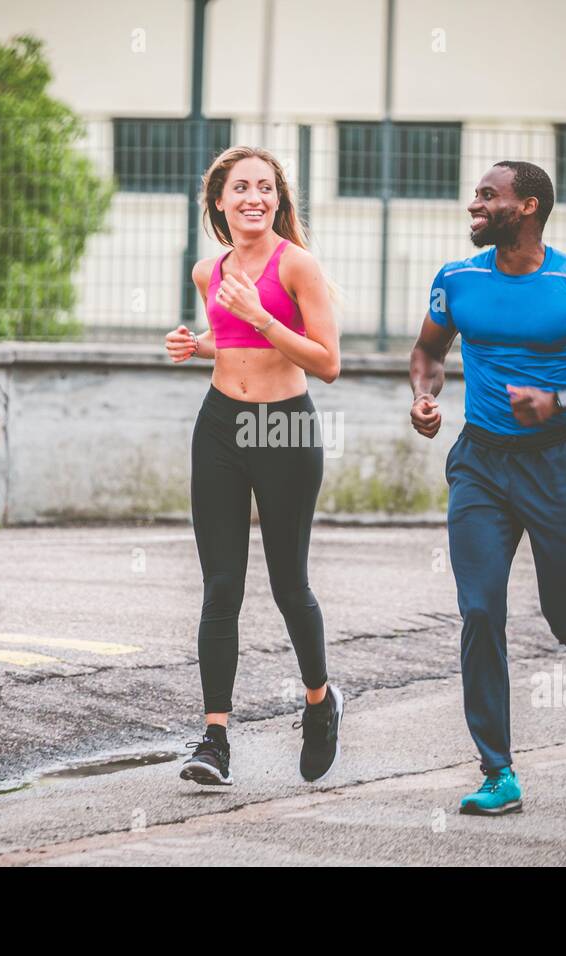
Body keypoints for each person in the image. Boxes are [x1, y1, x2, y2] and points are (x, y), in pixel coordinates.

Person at [409, 161, 566, 815]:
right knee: (480, 611)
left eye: (488, 196)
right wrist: (425, 397)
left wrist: (561, 400)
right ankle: (497, 772)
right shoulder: (456, 279)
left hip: (552, 465)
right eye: (476, 196)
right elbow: (428, 353)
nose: (473, 205)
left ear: (529, 207)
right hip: (479, 463)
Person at [164, 146, 343, 787]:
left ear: (278, 200)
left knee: (288, 582)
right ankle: (214, 739)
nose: (254, 198)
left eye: (265, 188)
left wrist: (260, 316)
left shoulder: (298, 266)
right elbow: (235, 341)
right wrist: (200, 343)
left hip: (285, 427)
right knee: (221, 587)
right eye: (241, 188)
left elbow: (326, 362)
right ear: (219, 200)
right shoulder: (206, 272)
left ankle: (320, 705)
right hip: (220, 427)